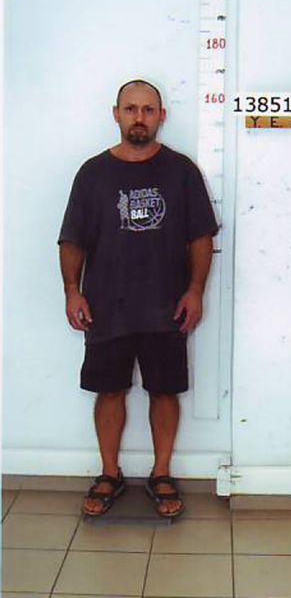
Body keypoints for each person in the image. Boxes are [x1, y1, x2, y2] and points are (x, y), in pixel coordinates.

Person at [58, 79, 219, 518]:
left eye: (148, 110)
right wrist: (72, 291)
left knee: (164, 392)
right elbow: (72, 240)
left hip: (167, 306)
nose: (139, 118)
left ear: (161, 116)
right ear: (116, 114)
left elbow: (201, 238)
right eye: (130, 109)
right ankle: (109, 473)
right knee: (109, 391)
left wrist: (195, 290)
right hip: (106, 305)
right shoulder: (93, 173)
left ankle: (161, 473)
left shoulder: (182, 171)